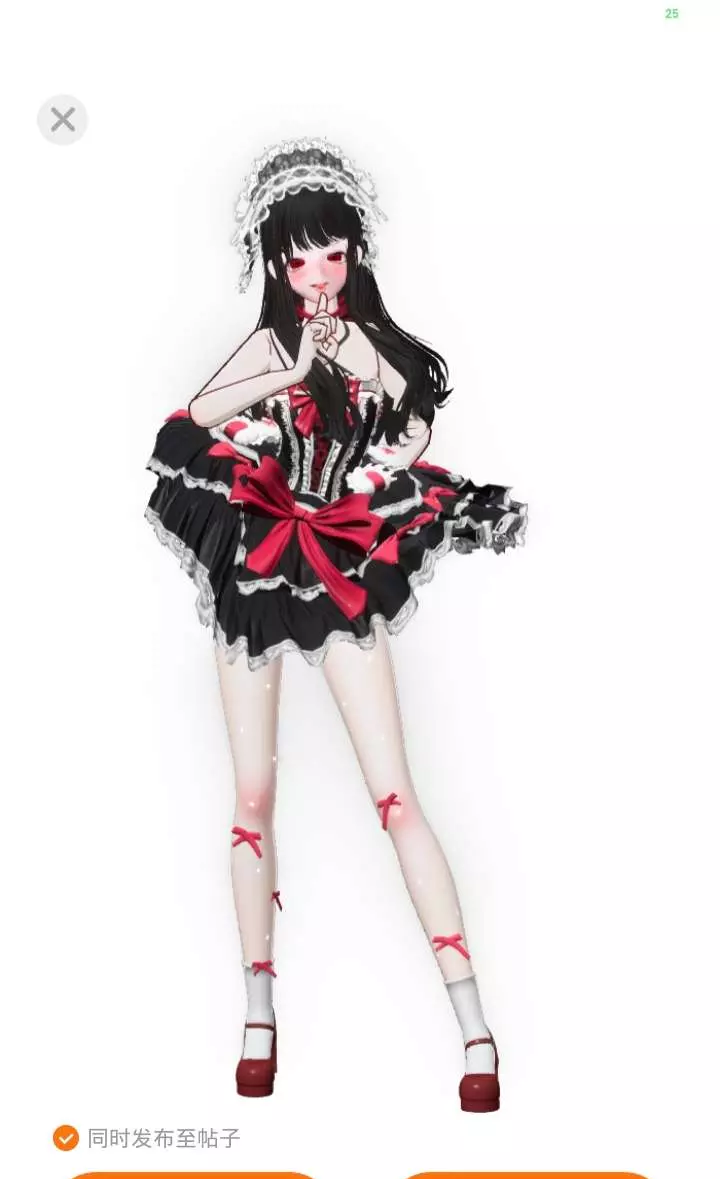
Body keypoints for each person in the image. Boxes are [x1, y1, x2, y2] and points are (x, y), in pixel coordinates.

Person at [145, 139, 527, 1112]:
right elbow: (195, 415)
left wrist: (362, 377)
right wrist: (289, 371)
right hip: (259, 547)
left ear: (356, 254)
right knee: (253, 793)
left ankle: (474, 1023)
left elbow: (413, 428)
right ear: (273, 264)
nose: (318, 273)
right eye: (298, 258)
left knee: (394, 794)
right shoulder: (275, 345)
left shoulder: (366, 342)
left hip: (342, 551)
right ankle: (257, 1014)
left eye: (333, 253)